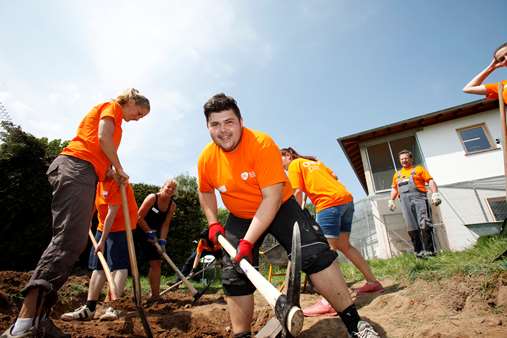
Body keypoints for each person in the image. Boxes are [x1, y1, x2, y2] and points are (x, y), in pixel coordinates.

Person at [197, 93, 379, 338]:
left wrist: (247, 242)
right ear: (208, 127)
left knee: (316, 254)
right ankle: (242, 335)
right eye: (215, 124)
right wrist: (213, 223)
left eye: (228, 122)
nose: (223, 130)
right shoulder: (207, 158)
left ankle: (356, 325)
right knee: (234, 273)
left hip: (280, 206)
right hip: (240, 215)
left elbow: (270, 199)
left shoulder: (261, 143)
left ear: (241, 122)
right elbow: (205, 191)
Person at [1, 89, 150, 338]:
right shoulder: (112, 106)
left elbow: (101, 162)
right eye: (140, 112)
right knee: (67, 240)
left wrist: (113, 174)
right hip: (76, 168)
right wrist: (119, 166)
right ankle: (25, 323)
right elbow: (103, 138)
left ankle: (38, 318)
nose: (138, 118)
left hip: (85, 171)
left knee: (75, 243)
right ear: (132, 102)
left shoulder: (117, 125)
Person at [280, 147, 383, 316]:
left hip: (328, 204)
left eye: (281, 161)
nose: (282, 167)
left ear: (288, 155)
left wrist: (296, 220)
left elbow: (297, 191)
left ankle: (330, 301)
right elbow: (333, 177)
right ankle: (372, 282)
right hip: (345, 200)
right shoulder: (314, 163)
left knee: (325, 252)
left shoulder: (293, 166)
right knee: (344, 245)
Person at [60, 170, 138, 322]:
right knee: (98, 267)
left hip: (122, 227)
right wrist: (88, 219)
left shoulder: (118, 182)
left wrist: (102, 241)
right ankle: (89, 308)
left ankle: (113, 308)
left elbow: (112, 212)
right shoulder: (99, 182)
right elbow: (94, 204)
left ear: (109, 167)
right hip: (103, 227)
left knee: (118, 266)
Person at [388, 150, 441, 258]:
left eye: (406, 158)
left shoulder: (419, 169)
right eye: (402, 159)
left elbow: (430, 181)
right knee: (411, 227)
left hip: (420, 199)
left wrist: (435, 193)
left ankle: (430, 253)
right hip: (405, 203)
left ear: (411, 159)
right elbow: (394, 188)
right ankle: (419, 254)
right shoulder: (397, 175)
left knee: (425, 225)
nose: (404, 160)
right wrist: (391, 200)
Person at [137, 179, 177, 301]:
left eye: (173, 188)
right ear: (163, 187)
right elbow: (138, 217)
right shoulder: (152, 198)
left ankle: (155, 296)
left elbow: (165, 224)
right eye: (168, 187)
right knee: (133, 262)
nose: (170, 189)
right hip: (139, 232)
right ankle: (132, 296)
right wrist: (149, 232)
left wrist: (162, 241)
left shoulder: (172, 205)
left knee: (156, 263)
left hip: (154, 236)